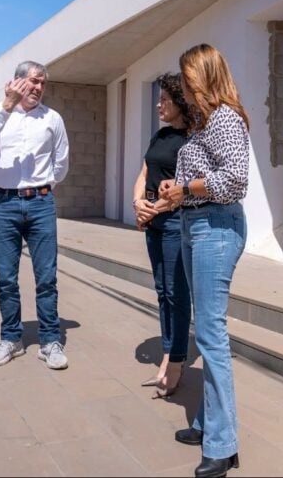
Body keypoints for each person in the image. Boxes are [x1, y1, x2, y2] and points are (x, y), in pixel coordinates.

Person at [159, 44, 249, 478]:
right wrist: (171, 194)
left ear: (204, 76)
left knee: (212, 336)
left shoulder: (226, 119)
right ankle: (206, 422)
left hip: (216, 226)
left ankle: (223, 445)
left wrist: (187, 189)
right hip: (194, 224)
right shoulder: (203, 123)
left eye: (187, 77)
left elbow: (235, 180)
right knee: (206, 329)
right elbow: (198, 177)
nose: (184, 85)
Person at [0, 60, 70, 370]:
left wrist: (44, 187)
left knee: (47, 278)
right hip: (2, 205)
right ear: (17, 81)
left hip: (41, 203)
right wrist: (7, 105)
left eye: (43, 83)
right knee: (6, 279)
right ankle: (11, 339)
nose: (39, 87)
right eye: (33, 81)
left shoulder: (52, 118)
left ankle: (50, 341)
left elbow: (61, 161)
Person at [132, 73, 191, 399]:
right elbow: (144, 174)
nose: (158, 105)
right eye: (158, 99)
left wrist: (151, 210)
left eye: (165, 99)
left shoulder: (191, 139)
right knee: (161, 291)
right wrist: (137, 203)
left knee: (175, 293)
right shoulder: (160, 135)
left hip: (173, 222)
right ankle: (169, 351)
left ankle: (174, 360)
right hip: (153, 220)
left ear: (180, 101)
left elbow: (182, 189)